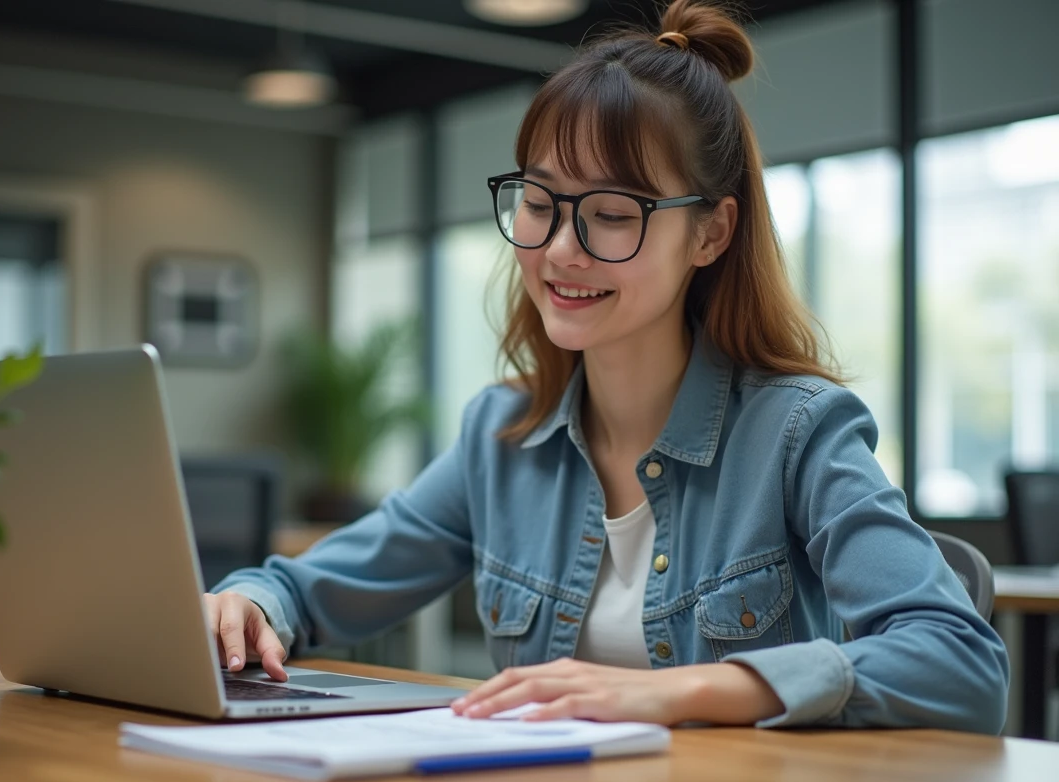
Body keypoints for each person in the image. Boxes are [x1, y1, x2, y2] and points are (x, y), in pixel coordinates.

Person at [205, 0, 1009, 733]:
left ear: (710, 234)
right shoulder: (500, 436)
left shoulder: (796, 431)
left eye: (613, 215)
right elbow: (314, 590)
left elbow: (961, 663)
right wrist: (251, 604)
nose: (560, 248)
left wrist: (688, 691)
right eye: (540, 201)